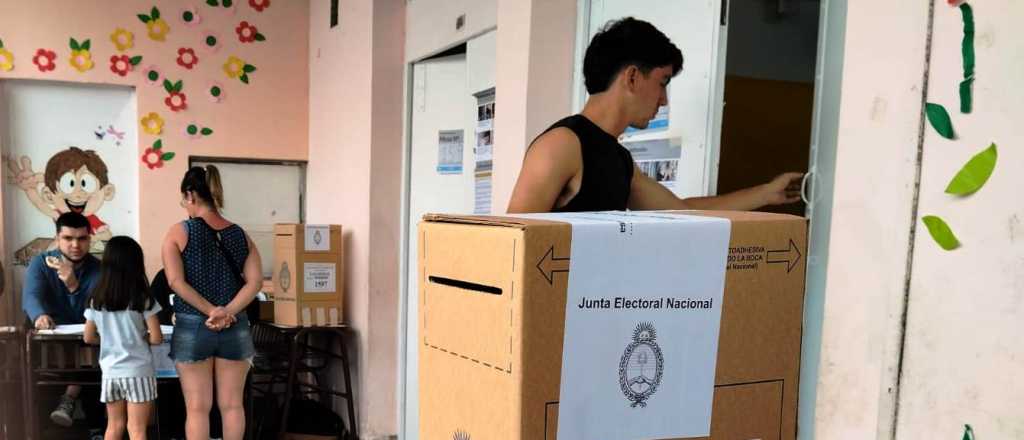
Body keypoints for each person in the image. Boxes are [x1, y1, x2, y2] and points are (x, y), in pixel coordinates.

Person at [507, 17, 803, 213]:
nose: (663, 100)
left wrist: (766, 194)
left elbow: (680, 212)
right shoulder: (562, 145)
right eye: (662, 83)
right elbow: (511, 245)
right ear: (633, 77)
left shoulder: (619, 160)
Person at [162, 165, 262, 440]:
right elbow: (255, 282)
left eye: (183, 199)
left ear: (190, 195)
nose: (184, 205)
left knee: (197, 408)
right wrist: (227, 312)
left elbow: (175, 282)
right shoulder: (240, 234)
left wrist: (210, 311)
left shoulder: (178, 232)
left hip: (192, 326)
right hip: (235, 325)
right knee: (232, 405)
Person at [22, 212, 104, 427]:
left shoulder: (98, 268)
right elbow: (31, 296)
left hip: (86, 338)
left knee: (95, 348)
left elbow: (94, 310)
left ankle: (84, 415)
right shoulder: (40, 263)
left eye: (82, 238)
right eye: (68, 238)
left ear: (89, 239)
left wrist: (73, 285)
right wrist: (39, 315)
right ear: (57, 239)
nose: (75, 245)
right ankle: (66, 401)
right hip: (52, 337)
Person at [83, 236, 163, 440]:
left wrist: (110, 341)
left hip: (110, 372)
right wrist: (138, 338)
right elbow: (156, 338)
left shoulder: (96, 299)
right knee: (137, 429)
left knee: (113, 426)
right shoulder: (142, 298)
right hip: (139, 372)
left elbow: (89, 337)